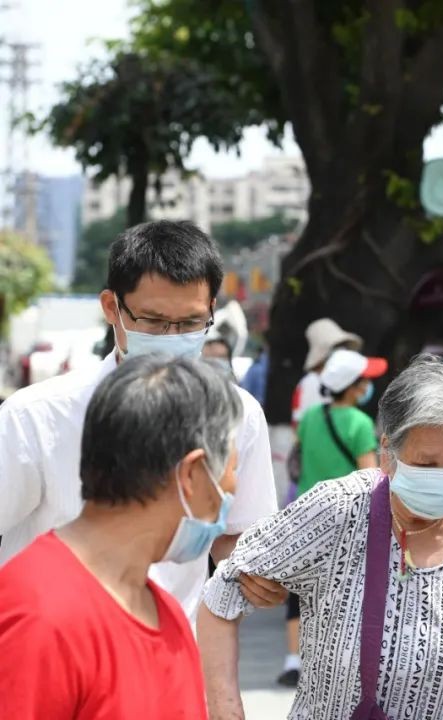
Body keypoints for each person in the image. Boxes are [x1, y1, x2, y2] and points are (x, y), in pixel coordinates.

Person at [199, 357, 443, 719]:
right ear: (387, 453)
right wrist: (227, 711)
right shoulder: (338, 510)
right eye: (426, 464)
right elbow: (222, 594)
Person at [0, 220, 281, 626]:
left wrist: (260, 572)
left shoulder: (237, 414)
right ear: (112, 307)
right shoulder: (38, 416)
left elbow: (237, 534)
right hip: (55, 648)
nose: (171, 338)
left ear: (212, 312)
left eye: (188, 324)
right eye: (152, 321)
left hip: (168, 650)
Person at [0, 354, 242, 718]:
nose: (232, 489)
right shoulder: (41, 616)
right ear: (191, 474)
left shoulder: (169, 615)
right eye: (231, 469)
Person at [278, 348, 386, 687]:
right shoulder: (360, 422)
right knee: (344, 594)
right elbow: (371, 478)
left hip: (307, 516)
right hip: (347, 522)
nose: (368, 385)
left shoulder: (310, 417)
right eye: (364, 380)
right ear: (354, 387)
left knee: (301, 591)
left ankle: (294, 660)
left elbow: (300, 456)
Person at [291, 318, 362, 425]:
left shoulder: (337, 380)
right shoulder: (311, 382)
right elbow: (300, 424)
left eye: (344, 346)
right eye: (337, 347)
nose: (343, 351)